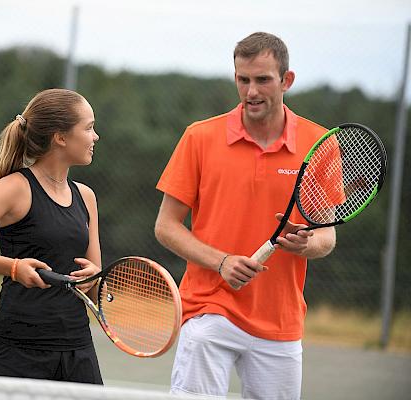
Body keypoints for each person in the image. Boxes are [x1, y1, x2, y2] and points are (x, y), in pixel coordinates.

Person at [155, 32, 336, 399]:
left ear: (287, 80)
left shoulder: (319, 144)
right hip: (209, 310)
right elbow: (166, 226)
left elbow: (326, 237)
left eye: (263, 80)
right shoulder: (199, 137)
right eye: (243, 80)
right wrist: (221, 262)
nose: (251, 91)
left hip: (280, 323)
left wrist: (305, 243)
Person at [0, 88, 103, 384]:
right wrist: (13, 267)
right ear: (60, 137)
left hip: (77, 347)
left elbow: (92, 285)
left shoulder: (86, 197)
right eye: (88, 128)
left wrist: (94, 277)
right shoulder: (15, 188)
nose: (95, 136)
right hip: (18, 348)